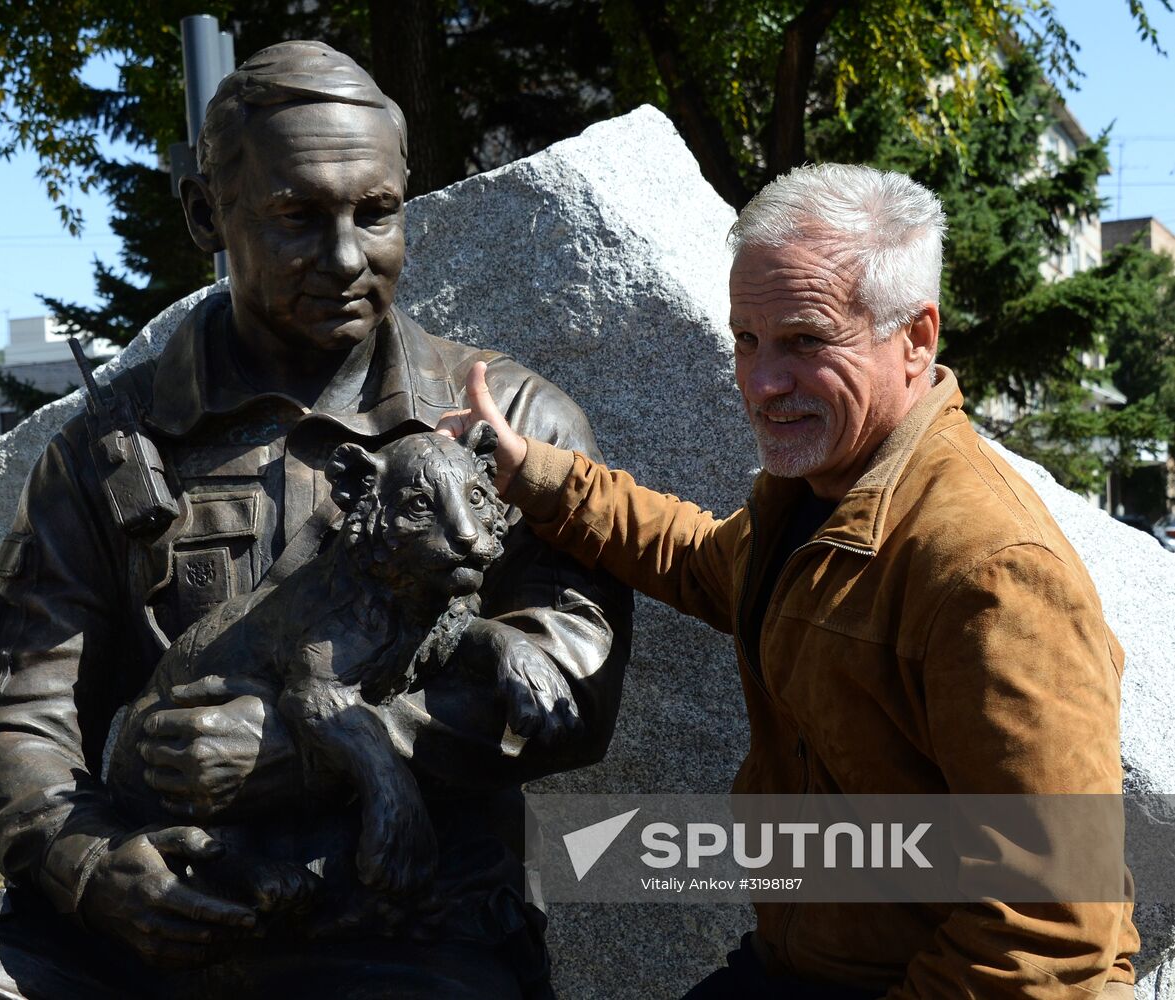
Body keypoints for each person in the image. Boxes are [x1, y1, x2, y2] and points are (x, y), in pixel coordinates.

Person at [0, 41, 629, 1000]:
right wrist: (90, 865)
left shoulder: (513, 425)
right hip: (131, 936)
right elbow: (14, 722)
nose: (344, 259)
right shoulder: (106, 450)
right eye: (296, 217)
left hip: (397, 931)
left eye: (375, 215)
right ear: (208, 214)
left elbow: (572, 679)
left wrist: (311, 753)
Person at [438, 163, 1139, 998]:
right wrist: (533, 475)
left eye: (806, 341)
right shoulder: (823, 495)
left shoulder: (993, 575)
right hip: (801, 966)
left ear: (915, 338)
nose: (760, 383)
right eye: (746, 339)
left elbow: (1051, 927)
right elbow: (705, 562)